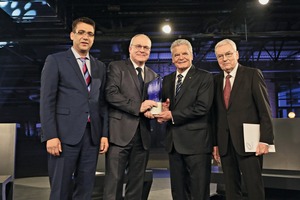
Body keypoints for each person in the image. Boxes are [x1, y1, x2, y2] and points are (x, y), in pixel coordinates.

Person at [40, 17, 109, 200]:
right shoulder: (55, 61)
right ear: (72, 35)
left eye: (90, 34)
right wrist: (51, 135)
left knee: (85, 189)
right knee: (61, 189)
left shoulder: (99, 66)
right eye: (81, 32)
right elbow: (47, 101)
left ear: (93, 39)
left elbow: (102, 103)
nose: (85, 37)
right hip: (63, 137)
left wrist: (104, 133)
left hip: (91, 137)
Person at [212, 38, 274, 200]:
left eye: (228, 54)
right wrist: (215, 143)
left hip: (250, 143)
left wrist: (265, 140)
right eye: (220, 56)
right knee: (231, 189)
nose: (224, 59)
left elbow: (264, 110)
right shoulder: (215, 81)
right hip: (225, 143)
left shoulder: (252, 75)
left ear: (237, 54)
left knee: (254, 187)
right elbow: (216, 115)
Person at [155, 39, 214, 200]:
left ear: (192, 55)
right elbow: (167, 106)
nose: (181, 57)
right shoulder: (167, 80)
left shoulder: (205, 77)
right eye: (176, 55)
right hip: (174, 144)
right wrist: (162, 114)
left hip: (197, 144)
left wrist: (172, 115)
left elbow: (202, 107)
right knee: (178, 191)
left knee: (199, 191)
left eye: (184, 53)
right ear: (172, 58)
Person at [103, 34, 158, 200]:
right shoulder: (117, 67)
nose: (142, 50)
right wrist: (138, 107)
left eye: (146, 47)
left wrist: (154, 111)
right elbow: (110, 94)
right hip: (119, 135)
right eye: (138, 46)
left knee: (137, 185)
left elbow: (153, 103)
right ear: (130, 48)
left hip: (143, 137)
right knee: (114, 184)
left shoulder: (153, 75)